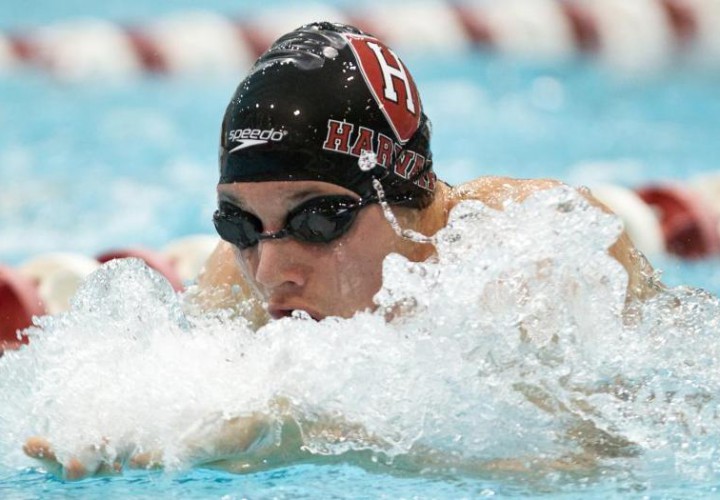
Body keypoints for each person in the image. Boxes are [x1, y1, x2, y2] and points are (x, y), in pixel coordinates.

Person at [24, 21, 659, 478]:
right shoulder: (235, 279)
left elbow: (596, 467)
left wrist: (308, 437)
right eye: (240, 225)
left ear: (404, 198)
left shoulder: (529, 250)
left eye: (318, 220)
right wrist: (134, 427)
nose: (271, 272)